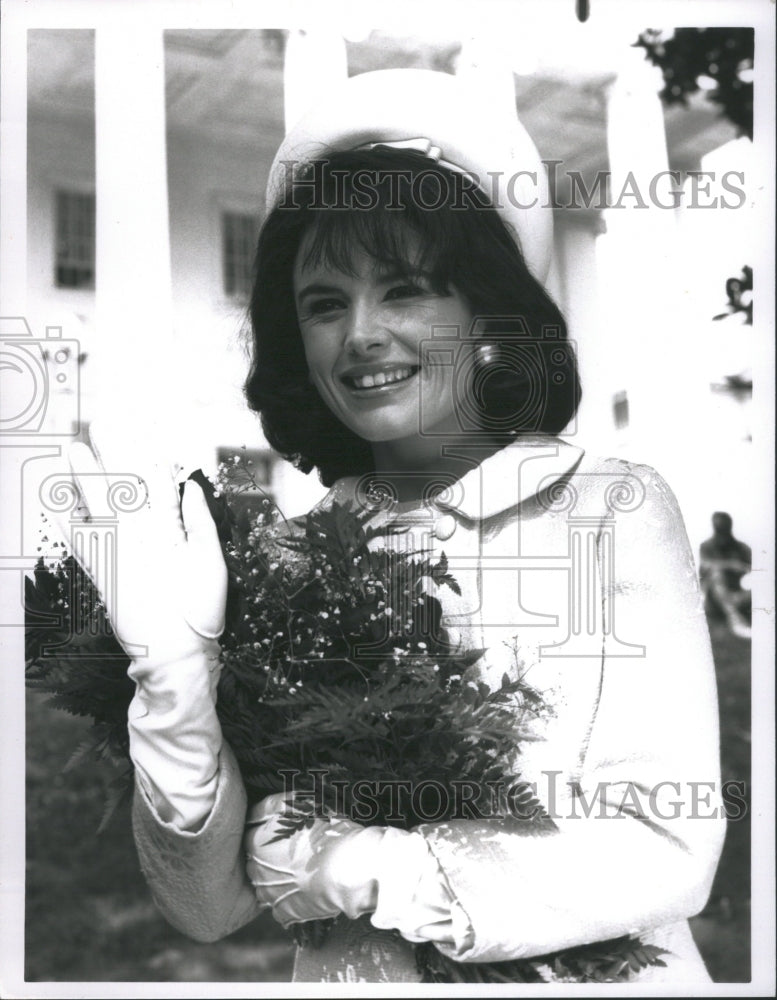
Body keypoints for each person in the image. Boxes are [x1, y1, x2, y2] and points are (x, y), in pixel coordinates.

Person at [66, 70, 725, 983]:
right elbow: (207, 907)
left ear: (486, 316)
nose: (360, 334)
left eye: (405, 289)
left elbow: (666, 842)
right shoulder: (286, 556)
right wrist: (175, 683)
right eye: (324, 304)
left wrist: (368, 871)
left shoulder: (606, 508)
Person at [699, 511, 752, 639]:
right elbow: (706, 566)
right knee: (716, 575)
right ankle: (735, 618)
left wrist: (742, 569)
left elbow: (752, 570)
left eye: (724, 527)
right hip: (715, 599)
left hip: (738, 595)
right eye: (719, 527)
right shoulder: (706, 547)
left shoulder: (742, 548)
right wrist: (731, 565)